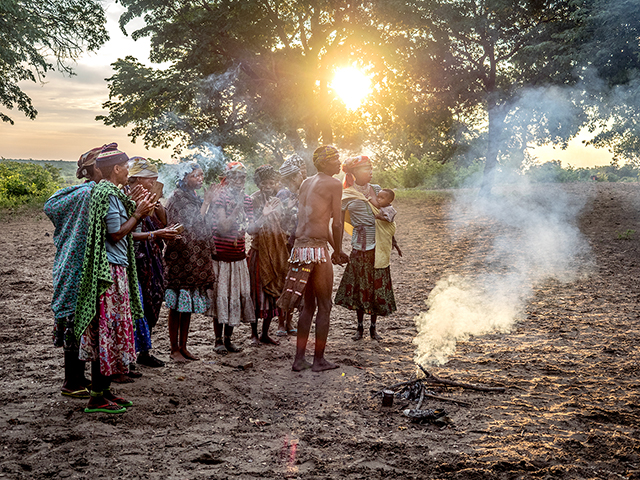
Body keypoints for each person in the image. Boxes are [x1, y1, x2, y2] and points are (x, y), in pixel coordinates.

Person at [75, 144, 155, 413]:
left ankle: (104, 391)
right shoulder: (107, 193)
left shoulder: (109, 193)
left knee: (109, 331)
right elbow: (116, 234)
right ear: (117, 169)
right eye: (127, 168)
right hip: (109, 272)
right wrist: (138, 214)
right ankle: (97, 397)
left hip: (114, 268)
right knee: (105, 331)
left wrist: (134, 205)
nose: (129, 172)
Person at [277, 145, 349, 372]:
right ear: (325, 162)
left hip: (300, 248)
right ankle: (319, 360)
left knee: (308, 306)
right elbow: (336, 223)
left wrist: (335, 249)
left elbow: (315, 219)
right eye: (335, 159)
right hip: (317, 251)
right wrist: (337, 250)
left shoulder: (306, 182)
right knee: (325, 305)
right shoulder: (334, 184)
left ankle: (299, 359)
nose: (339, 163)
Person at [44, 146, 103, 399]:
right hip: (81, 267)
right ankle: (73, 380)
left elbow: (52, 208)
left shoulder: (75, 193)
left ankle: (77, 378)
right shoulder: (94, 194)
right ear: (99, 169)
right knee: (79, 320)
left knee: (74, 319)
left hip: (68, 263)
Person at [335, 155, 398, 341]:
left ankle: (373, 328)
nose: (370, 172)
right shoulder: (345, 195)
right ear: (353, 173)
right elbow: (338, 223)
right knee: (360, 288)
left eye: (371, 168)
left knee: (375, 288)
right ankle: (360, 327)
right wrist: (337, 249)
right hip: (359, 247)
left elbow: (387, 216)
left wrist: (393, 240)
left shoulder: (378, 191)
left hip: (378, 246)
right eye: (365, 169)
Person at [127, 157, 181, 367]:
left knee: (152, 303)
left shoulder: (150, 197)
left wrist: (158, 209)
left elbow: (163, 222)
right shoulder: (125, 197)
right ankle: (129, 355)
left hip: (151, 259)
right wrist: (155, 234)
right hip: (134, 261)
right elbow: (123, 233)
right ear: (138, 178)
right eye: (151, 179)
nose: (154, 183)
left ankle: (143, 351)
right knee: (135, 308)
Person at [163, 163, 216, 362]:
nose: (200, 179)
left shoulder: (194, 197)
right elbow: (190, 224)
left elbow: (203, 225)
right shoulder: (177, 197)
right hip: (181, 258)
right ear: (184, 178)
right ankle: (174, 348)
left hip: (195, 259)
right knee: (177, 307)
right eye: (195, 176)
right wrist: (207, 203)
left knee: (188, 306)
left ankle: (184, 347)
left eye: (202, 175)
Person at [247, 164, 288, 346]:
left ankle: (265, 333)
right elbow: (250, 229)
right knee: (257, 295)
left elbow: (282, 225)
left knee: (273, 296)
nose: (268, 185)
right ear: (258, 183)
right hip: (258, 252)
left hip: (276, 252)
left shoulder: (278, 201)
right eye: (264, 182)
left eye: (272, 182)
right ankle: (254, 334)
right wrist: (264, 215)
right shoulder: (253, 200)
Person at [275, 158, 304, 336]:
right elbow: (283, 220)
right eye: (300, 172)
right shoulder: (283, 195)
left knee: (295, 282)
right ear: (293, 177)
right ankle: (281, 322)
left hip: (297, 241)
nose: (303, 174)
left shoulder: (301, 192)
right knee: (285, 281)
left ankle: (289, 320)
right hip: (285, 244)